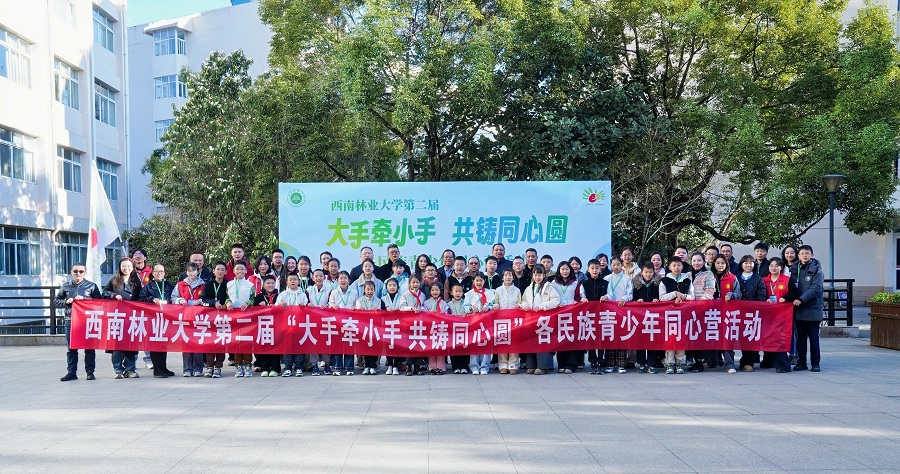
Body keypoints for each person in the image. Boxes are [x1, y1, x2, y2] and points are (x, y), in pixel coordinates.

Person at [56, 263, 102, 382]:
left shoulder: (91, 286)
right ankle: (71, 372)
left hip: (87, 321)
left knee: (89, 348)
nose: (78, 273)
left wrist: (85, 299)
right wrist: (66, 301)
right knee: (71, 348)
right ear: (71, 272)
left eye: (81, 271)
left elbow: (99, 302)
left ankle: (90, 372)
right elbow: (56, 301)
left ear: (85, 273)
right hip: (70, 321)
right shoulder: (65, 286)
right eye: (75, 271)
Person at [103, 257, 142, 379]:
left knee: (131, 344)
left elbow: (141, 296)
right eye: (124, 266)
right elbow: (104, 293)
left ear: (133, 267)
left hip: (132, 316)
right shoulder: (114, 280)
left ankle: (130, 369)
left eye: (129, 266)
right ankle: (118, 369)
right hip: (117, 317)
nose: (126, 268)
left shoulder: (136, 281)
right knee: (117, 345)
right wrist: (113, 295)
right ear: (119, 267)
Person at [520, 266, 560, 375]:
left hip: (544, 319)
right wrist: (524, 305)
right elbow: (523, 300)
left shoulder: (549, 287)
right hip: (531, 319)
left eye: (539, 275)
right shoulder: (529, 288)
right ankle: (531, 365)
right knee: (531, 341)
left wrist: (542, 306)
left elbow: (556, 301)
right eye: (535, 275)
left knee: (543, 342)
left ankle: (543, 366)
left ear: (544, 275)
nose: (537, 277)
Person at [761, 257, 797, 373]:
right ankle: (768, 360)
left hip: (782, 314)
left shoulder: (787, 280)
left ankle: (783, 365)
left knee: (779, 338)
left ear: (781, 267)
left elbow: (795, 293)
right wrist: (765, 299)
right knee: (767, 336)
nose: (773, 268)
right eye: (771, 266)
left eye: (776, 266)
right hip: (768, 314)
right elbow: (760, 294)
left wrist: (785, 298)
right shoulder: (764, 280)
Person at [139, 263, 176, 378]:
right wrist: (152, 299)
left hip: (166, 318)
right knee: (155, 344)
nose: (160, 273)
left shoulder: (169, 285)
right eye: (157, 271)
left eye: (162, 271)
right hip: (153, 319)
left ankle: (163, 368)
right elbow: (141, 299)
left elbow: (173, 298)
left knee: (164, 344)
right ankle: (157, 370)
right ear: (153, 273)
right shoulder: (148, 287)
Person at [659, 257, 694, 374]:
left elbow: (692, 296)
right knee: (670, 339)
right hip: (669, 315)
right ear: (669, 267)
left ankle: (679, 362)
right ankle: (670, 363)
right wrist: (674, 294)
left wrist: (683, 296)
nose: (676, 268)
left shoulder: (687, 280)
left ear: (682, 266)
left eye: (679, 265)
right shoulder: (664, 280)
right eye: (674, 265)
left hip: (684, 314)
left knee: (681, 339)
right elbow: (662, 297)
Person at [793, 245, 824, 372]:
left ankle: (815, 363)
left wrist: (801, 299)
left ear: (812, 255)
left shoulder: (817, 270)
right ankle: (801, 362)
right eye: (802, 253)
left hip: (812, 309)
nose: (804, 255)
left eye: (807, 253)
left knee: (814, 338)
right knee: (800, 338)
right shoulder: (794, 268)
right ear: (798, 255)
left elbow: (815, 288)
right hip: (798, 309)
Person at [551, 262, 586, 374]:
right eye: (562, 269)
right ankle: (561, 364)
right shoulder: (553, 283)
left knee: (571, 339)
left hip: (572, 315)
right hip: (559, 314)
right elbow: (551, 297)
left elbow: (579, 296)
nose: (565, 271)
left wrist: (577, 302)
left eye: (567, 269)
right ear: (559, 270)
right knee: (560, 339)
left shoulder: (575, 283)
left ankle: (571, 365)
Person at [173, 262, 206, 377]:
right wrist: (179, 300)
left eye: (194, 271)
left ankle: (198, 369)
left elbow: (206, 298)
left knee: (198, 343)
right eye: (189, 271)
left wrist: (200, 301)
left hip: (199, 318)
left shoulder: (203, 285)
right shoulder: (180, 285)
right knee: (186, 343)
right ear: (186, 272)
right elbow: (173, 297)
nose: (192, 273)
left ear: (198, 271)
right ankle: (187, 369)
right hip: (185, 318)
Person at [601, 256, 632, 374]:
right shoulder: (606, 278)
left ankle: (621, 365)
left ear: (621, 265)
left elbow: (630, 293)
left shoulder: (626, 278)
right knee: (610, 336)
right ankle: (610, 364)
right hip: (609, 311)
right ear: (610, 265)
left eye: (618, 264)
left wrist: (624, 298)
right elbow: (606, 293)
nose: (616, 267)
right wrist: (606, 297)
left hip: (623, 310)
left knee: (622, 336)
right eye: (613, 265)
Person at [736, 255, 767, 372]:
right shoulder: (736, 277)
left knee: (748, 336)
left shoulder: (758, 279)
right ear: (741, 264)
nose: (748, 265)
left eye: (750, 263)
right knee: (737, 336)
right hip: (736, 313)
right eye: (745, 263)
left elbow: (761, 296)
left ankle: (747, 362)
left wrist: (756, 307)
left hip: (752, 313)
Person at [711, 255, 741, 373]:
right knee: (711, 336)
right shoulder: (709, 276)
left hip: (727, 313)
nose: (720, 265)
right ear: (714, 264)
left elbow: (739, 295)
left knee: (727, 338)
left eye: (723, 263)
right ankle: (712, 361)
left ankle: (730, 364)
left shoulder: (732, 278)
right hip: (711, 313)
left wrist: (731, 295)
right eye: (718, 263)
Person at [687, 252, 716, 372]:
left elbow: (710, 291)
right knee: (692, 336)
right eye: (694, 261)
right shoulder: (688, 274)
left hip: (703, 310)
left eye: (699, 260)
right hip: (689, 311)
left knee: (701, 336)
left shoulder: (708, 274)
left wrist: (699, 305)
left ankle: (701, 362)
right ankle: (695, 361)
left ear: (704, 262)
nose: (696, 263)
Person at [226, 262, 255, 377]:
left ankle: (247, 365)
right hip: (234, 317)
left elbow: (253, 298)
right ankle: (238, 365)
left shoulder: (250, 285)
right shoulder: (229, 284)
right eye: (237, 269)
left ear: (246, 271)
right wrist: (228, 303)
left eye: (242, 269)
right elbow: (227, 298)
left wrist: (248, 303)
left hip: (246, 317)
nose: (240, 271)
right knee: (236, 341)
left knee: (246, 341)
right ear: (233, 271)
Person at [277, 273, 309, 377]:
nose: (293, 281)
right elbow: (276, 307)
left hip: (299, 325)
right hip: (286, 326)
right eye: (290, 279)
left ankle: (299, 368)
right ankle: (287, 368)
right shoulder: (282, 295)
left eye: (295, 279)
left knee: (299, 347)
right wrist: (281, 304)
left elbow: (306, 306)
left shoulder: (302, 294)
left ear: (298, 281)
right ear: (287, 282)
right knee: (287, 348)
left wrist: (303, 306)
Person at [632, 263, 661, 374]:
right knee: (640, 340)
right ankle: (641, 364)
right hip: (640, 316)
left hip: (654, 317)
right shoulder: (636, 284)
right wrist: (636, 301)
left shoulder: (658, 283)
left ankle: (651, 364)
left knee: (652, 340)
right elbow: (632, 298)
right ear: (642, 272)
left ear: (654, 272)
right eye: (646, 272)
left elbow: (662, 296)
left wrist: (657, 300)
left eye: (650, 272)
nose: (648, 274)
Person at [328, 271, 358, 376]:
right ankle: (337, 368)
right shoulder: (334, 292)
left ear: (349, 280)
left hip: (350, 322)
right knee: (337, 345)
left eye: (345, 278)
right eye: (341, 278)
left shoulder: (354, 292)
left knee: (349, 344)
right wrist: (333, 305)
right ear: (337, 280)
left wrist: (355, 308)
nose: (343, 280)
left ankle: (349, 368)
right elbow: (330, 303)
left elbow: (357, 304)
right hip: (337, 322)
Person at [202, 262, 228, 377]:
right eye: (218, 269)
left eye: (223, 270)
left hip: (224, 318)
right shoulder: (208, 285)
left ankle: (218, 367)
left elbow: (231, 298)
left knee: (221, 342)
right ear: (213, 271)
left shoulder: (228, 285)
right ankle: (209, 366)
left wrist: (226, 304)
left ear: (226, 272)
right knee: (210, 343)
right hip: (210, 318)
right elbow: (203, 299)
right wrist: (213, 303)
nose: (220, 272)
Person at [582, 259, 609, 374]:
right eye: (592, 268)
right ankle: (592, 361)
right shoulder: (584, 283)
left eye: (597, 268)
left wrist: (606, 297)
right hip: (589, 315)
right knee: (591, 337)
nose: (594, 270)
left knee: (601, 338)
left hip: (602, 315)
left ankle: (601, 361)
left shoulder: (605, 283)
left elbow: (610, 294)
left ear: (600, 269)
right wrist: (583, 299)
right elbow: (581, 295)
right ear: (588, 270)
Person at [494, 269, 522, 374]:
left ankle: (513, 364)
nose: (508, 277)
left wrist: (519, 305)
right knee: (502, 341)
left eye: (510, 275)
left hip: (514, 319)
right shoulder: (498, 290)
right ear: (502, 277)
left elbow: (520, 302)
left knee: (514, 341)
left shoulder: (517, 290)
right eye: (505, 275)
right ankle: (503, 364)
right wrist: (495, 305)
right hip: (501, 320)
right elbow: (495, 302)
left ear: (513, 277)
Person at [464, 273, 493, 375]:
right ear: (473, 282)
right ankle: (474, 366)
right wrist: (471, 308)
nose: (479, 282)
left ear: (484, 281)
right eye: (477, 280)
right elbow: (465, 307)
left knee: (486, 344)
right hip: (474, 322)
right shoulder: (469, 294)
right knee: (474, 344)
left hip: (487, 322)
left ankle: (485, 366)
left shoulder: (490, 293)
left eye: (481, 280)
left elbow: (493, 305)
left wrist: (489, 307)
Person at [253, 275, 281, 377]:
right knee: (263, 347)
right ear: (263, 285)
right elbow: (252, 311)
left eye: (272, 283)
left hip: (276, 326)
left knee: (275, 347)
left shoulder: (279, 296)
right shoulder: (258, 297)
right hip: (262, 326)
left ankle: (275, 368)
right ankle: (265, 368)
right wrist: (258, 307)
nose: (270, 285)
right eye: (268, 283)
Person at [306, 268, 332, 376]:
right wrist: (308, 305)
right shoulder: (308, 290)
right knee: (313, 341)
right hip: (312, 320)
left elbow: (332, 303)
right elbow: (304, 303)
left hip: (325, 320)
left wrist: (327, 306)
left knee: (326, 342)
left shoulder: (329, 290)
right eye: (316, 276)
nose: (318, 278)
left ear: (324, 278)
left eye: (321, 276)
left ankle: (327, 363)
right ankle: (314, 364)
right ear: (313, 278)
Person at [399, 274, 426, 375]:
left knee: (418, 344)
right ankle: (408, 366)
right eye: (413, 282)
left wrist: (422, 309)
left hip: (419, 323)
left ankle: (418, 366)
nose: (415, 284)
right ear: (409, 283)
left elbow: (424, 306)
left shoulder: (422, 295)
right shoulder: (405, 295)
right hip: (408, 323)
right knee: (409, 344)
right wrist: (411, 308)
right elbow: (401, 307)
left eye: (417, 282)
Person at [355, 280, 384, 375]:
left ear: (374, 290)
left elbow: (379, 313)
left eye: (372, 289)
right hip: (364, 328)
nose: (369, 291)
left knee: (374, 347)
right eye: (368, 289)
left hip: (375, 328)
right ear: (364, 290)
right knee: (365, 347)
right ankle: (366, 366)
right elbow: (358, 313)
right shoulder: (359, 301)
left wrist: (377, 311)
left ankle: (373, 366)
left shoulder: (378, 300)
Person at [422, 282, 449, 375]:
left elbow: (448, 315)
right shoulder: (426, 303)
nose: (435, 292)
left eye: (437, 290)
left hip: (441, 328)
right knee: (432, 347)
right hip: (431, 328)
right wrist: (430, 313)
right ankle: (432, 366)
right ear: (430, 291)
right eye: (433, 290)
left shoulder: (444, 303)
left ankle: (440, 366)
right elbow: (424, 314)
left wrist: (443, 314)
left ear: (440, 291)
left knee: (441, 347)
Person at [447, 284, 472, 374]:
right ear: (451, 293)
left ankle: (464, 366)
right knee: (454, 348)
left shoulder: (466, 303)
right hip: (453, 330)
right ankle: (456, 366)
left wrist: (467, 314)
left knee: (465, 347)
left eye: (460, 291)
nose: (458, 293)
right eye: (456, 291)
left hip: (464, 330)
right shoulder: (448, 304)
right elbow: (445, 315)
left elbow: (470, 314)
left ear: (463, 293)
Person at [381, 277, 403, 375]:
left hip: (399, 325)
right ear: (386, 287)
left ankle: (396, 366)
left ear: (398, 287)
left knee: (397, 345)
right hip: (387, 325)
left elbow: (403, 308)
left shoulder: (402, 297)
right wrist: (386, 309)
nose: (392, 287)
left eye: (394, 285)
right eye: (390, 285)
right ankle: (390, 365)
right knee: (388, 345)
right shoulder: (383, 299)